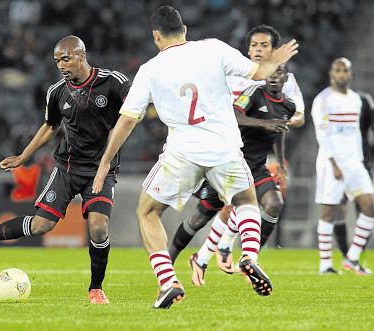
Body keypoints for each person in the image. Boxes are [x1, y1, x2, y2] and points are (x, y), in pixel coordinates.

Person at [92, 6, 298, 308]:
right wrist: (275, 60)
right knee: (245, 202)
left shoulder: (150, 69)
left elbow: (127, 120)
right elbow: (260, 73)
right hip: (224, 148)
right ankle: (249, 257)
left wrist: (106, 160)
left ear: (156, 36)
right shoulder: (213, 48)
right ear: (185, 29)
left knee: (148, 213)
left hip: (182, 153)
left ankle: (168, 282)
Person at [0, 36, 131, 304]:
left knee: (99, 227)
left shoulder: (113, 82)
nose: (61, 65)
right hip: (68, 167)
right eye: (57, 61)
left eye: (66, 59)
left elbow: (131, 114)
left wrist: (105, 162)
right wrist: (23, 156)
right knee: (41, 225)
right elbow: (50, 127)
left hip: (102, 170)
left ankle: (96, 288)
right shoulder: (57, 91)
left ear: (82, 55)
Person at [168, 25, 304, 271]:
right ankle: (183, 258)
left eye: (264, 45)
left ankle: (238, 254)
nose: (258, 50)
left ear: (274, 50)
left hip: (251, 158)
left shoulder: (286, 80)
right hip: (218, 152)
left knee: (261, 203)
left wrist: (278, 126)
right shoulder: (233, 71)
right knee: (204, 215)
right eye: (254, 45)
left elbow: (296, 116)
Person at [187, 64, 296, 286]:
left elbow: (280, 131)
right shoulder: (253, 94)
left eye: (280, 72)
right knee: (233, 210)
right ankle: (205, 256)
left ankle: (249, 257)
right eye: (272, 71)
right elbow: (234, 115)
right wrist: (265, 124)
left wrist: (281, 162)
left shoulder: (289, 105)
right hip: (233, 161)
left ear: (286, 77)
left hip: (258, 165)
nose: (275, 76)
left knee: (274, 203)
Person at [312, 57, 374, 275]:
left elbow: (356, 132)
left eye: (345, 71)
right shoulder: (323, 100)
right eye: (338, 70)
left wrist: (358, 161)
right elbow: (322, 134)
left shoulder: (356, 99)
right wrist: (334, 164)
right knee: (330, 212)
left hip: (353, 163)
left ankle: (352, 258)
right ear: (332, 74)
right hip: (332, 164)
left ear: (350, 74)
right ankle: (325, 265)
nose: (341, 74)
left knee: (369, 207)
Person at [332, 91, 374, 260]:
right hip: (339, 162)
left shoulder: (364, 100)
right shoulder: (328, 101)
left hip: (361, 162)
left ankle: (357, 253)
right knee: (338, 208)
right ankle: (345, 254)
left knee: (365, 207)